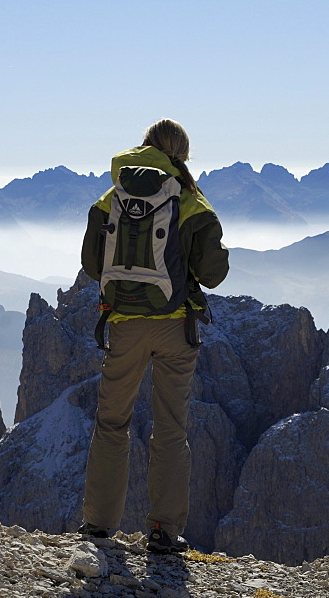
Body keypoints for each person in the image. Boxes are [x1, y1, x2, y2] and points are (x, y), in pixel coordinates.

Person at [78, 118, 229, 553]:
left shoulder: (111, 198)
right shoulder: (191, 201)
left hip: (123, 327)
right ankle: (163, 530)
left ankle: (98, 527)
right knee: (169, 429)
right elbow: (214, 274)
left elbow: (93, 265)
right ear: (180, 155)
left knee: (111, 424)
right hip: (174, 326)